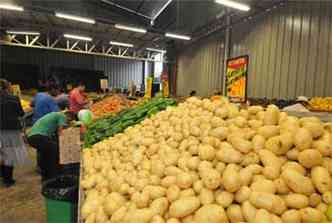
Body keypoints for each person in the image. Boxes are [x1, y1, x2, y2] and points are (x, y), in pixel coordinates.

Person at [27, 110, 72, 181]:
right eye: (68, 121)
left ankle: (46, 176)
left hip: (31, 137)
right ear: (68, 116)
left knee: (46, 154)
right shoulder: (62, 115)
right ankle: (53, 175)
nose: (67, 123)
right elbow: (61, 132)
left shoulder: (53, 115)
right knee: (54, 149)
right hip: (38, 136)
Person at [0, 79, 29, 187]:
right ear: (7, 87)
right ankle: (8, 179)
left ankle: (2, 175)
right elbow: (20, 113)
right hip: (10, 129)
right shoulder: (13, 98)